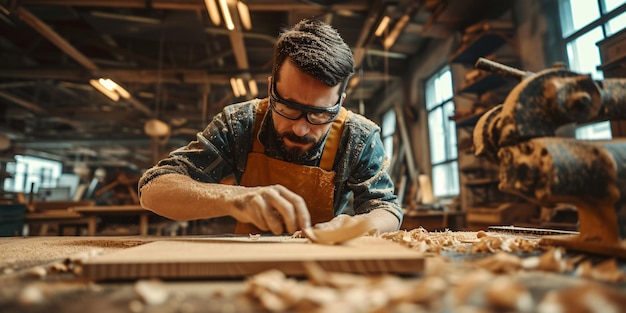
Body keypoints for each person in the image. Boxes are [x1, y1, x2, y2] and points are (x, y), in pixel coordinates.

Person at [138, 19, 403, 235]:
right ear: (270, 89)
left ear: (339, 102)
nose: (300, 129)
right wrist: (235, 198)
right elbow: (152, 189)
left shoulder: (357, 137)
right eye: (288, 108)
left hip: (324, 261)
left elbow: (387, 209)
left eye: (320, 115)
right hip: (248, 263)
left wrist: (363, 225)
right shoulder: (240, 124)